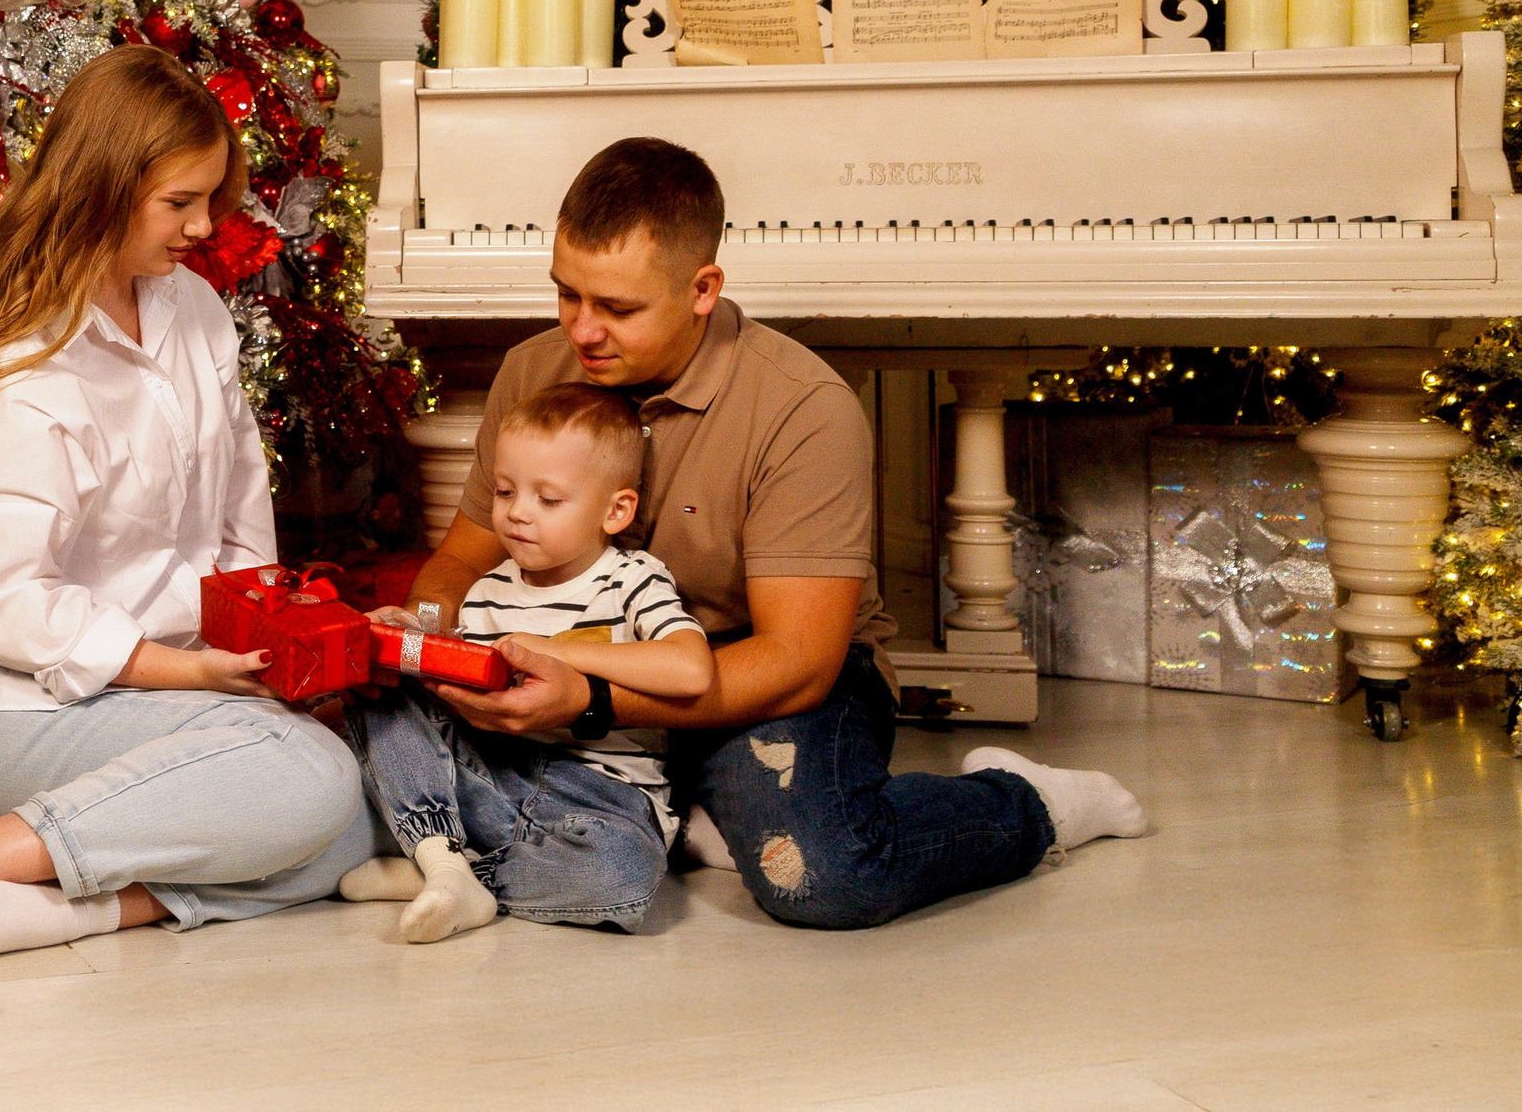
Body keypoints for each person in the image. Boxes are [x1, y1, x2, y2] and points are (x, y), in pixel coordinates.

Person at [405, 138, 1148, 931]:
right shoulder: (534, 368)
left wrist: (590, 702)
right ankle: (693, 812)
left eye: (617, 308)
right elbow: (460, 560)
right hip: (578, 664)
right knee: (394, 769)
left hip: (757, 676)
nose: (581, 331)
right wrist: (432, 640)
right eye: (567, 295)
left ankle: (1027, 802)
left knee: (824, 879)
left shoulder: (805, 408)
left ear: (702, 289)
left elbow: (800, 662)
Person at [0, 47, 374, 968]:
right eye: (180, 203)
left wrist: (270, 640)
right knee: (314, 782)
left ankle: (63, 908)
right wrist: (192, 675)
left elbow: (240, 503)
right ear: (100, 189)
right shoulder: (19, 364)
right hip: (2, 714)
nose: (204, 227)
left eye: (210, 199)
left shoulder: (194, 309)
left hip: (167, 687)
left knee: (352, 817)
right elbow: (0, 604)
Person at [342, 382, 713, 943]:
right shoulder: (487, 589)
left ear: (615, 510)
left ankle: (451, 873)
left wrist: (556, 648)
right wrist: (409, 639)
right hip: (497, 773)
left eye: (548, 499)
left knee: (624, 877)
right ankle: (440, 856)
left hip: (602, 795)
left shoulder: (633, 579)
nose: (517, 514)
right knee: (384, 690)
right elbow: (454, 676)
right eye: (506, 491)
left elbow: (692, 669)